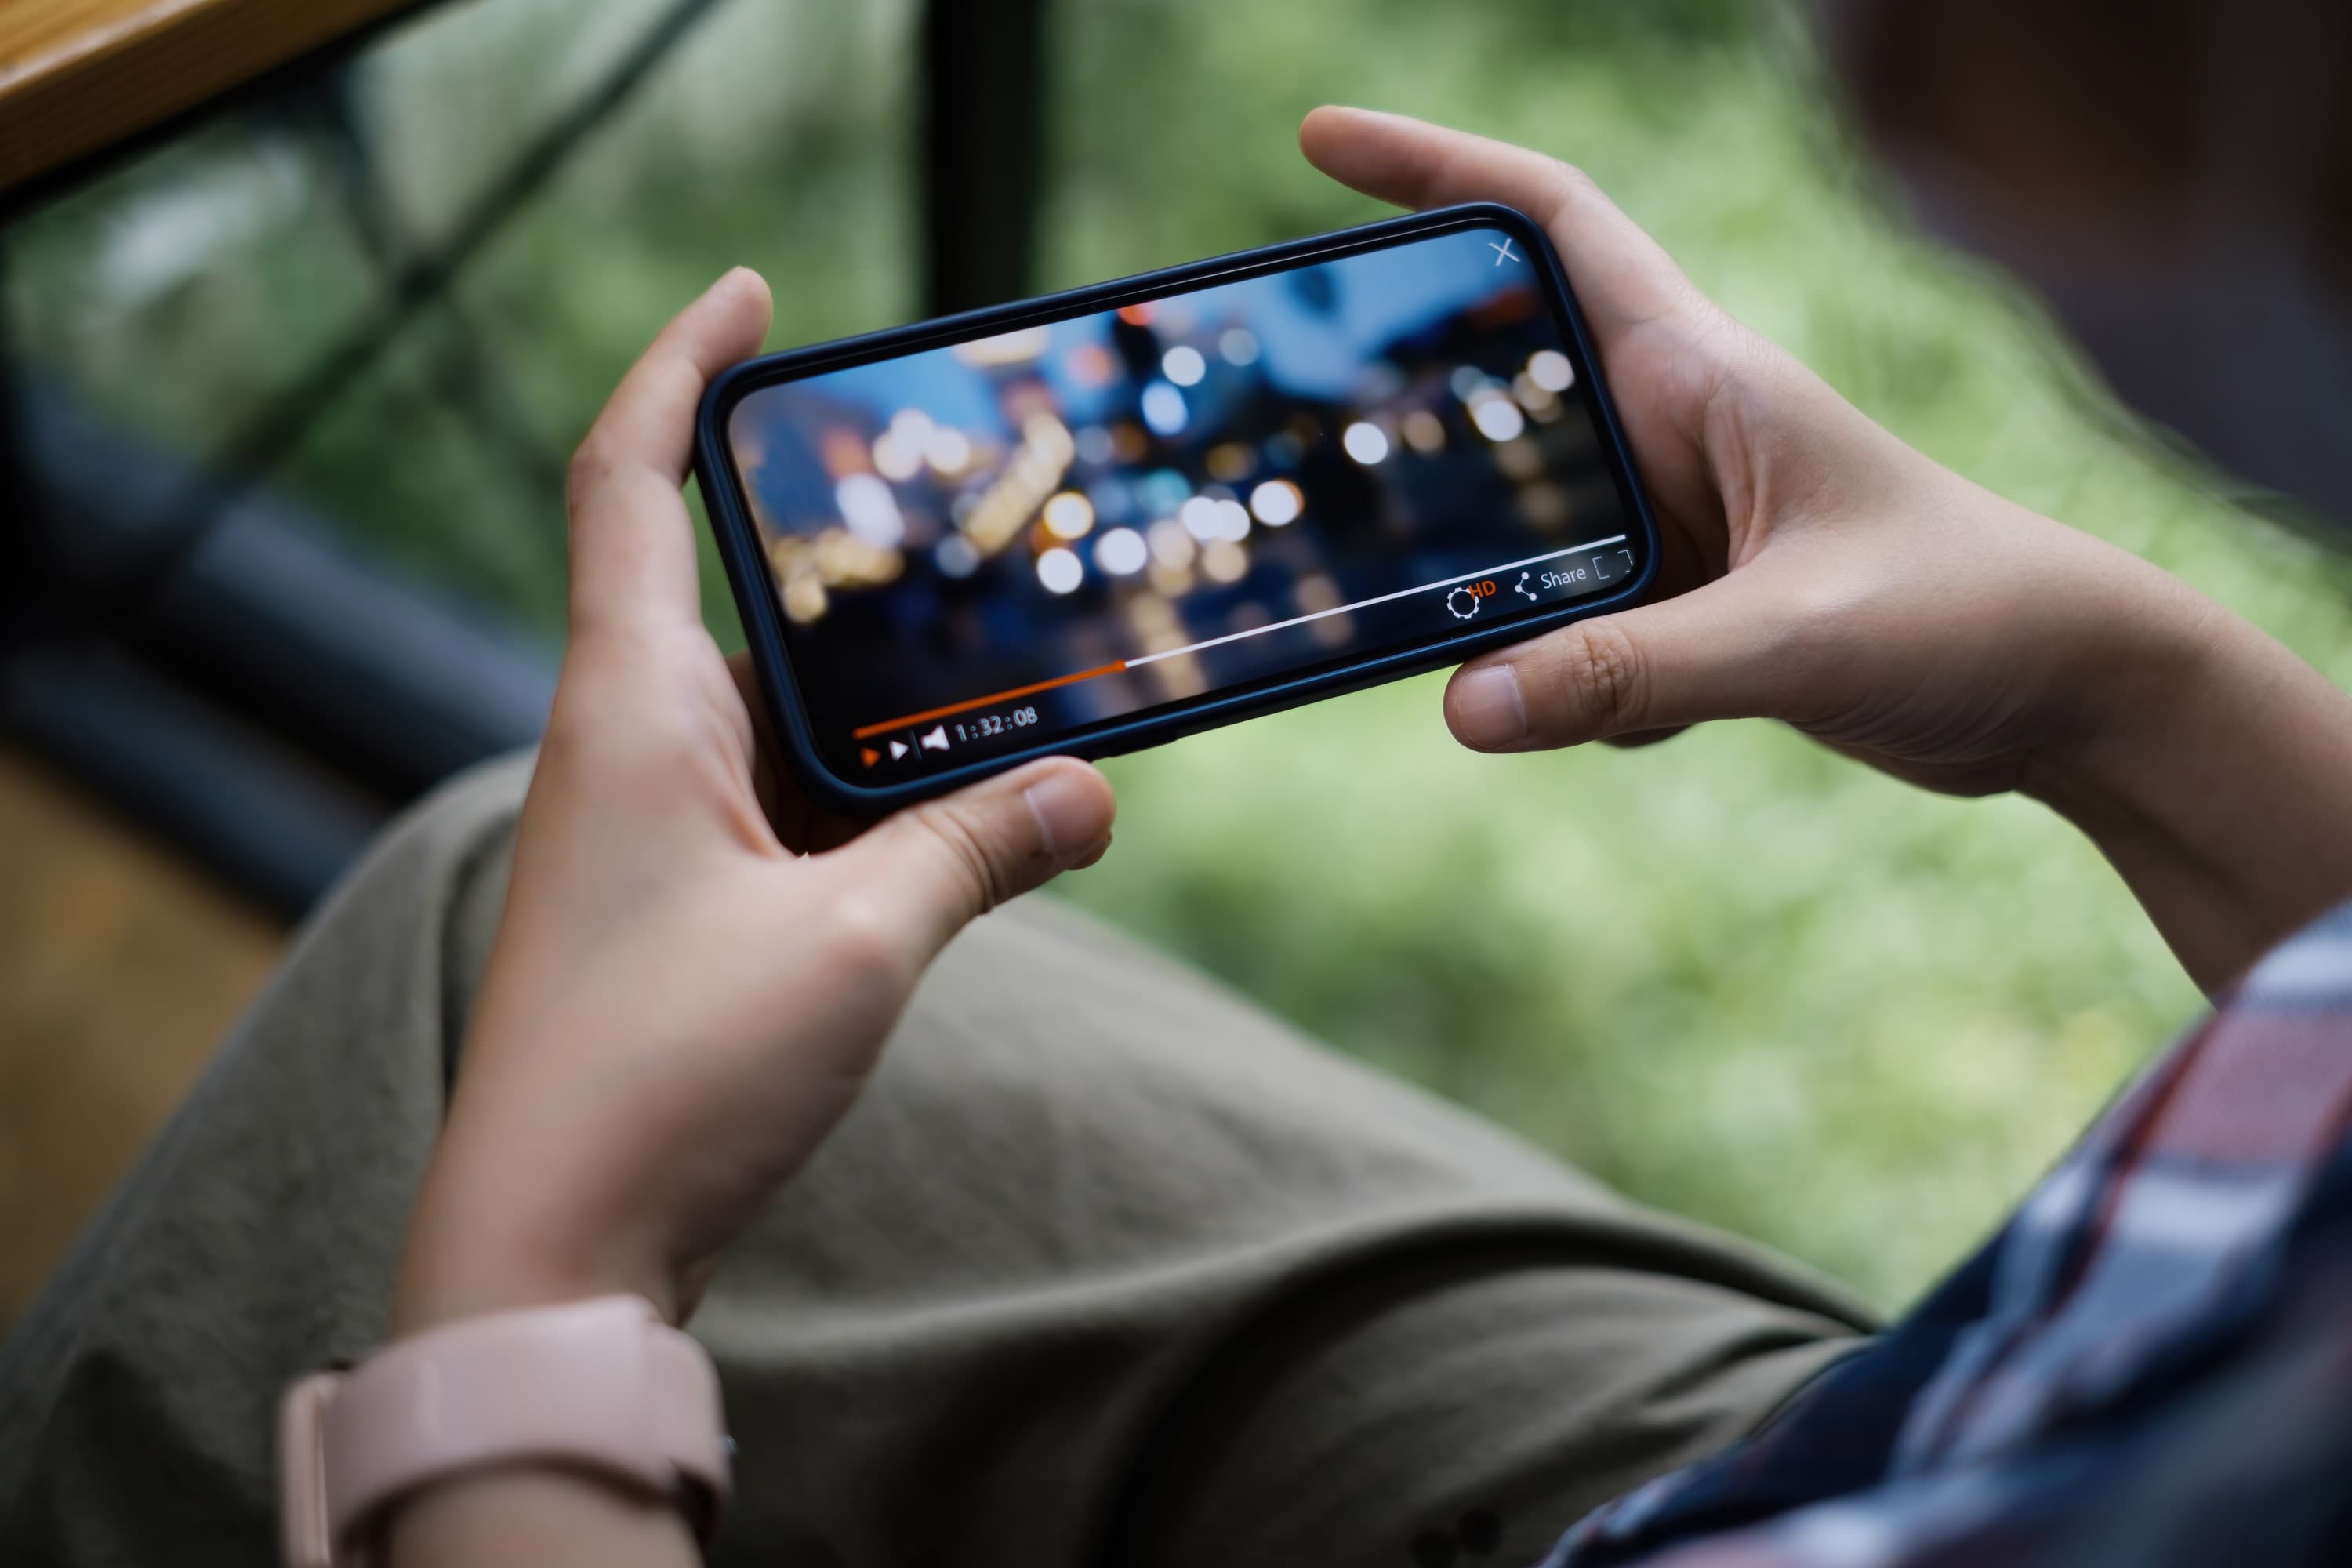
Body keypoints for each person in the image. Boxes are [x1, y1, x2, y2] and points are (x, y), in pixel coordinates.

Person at [7, 2, 2352, 1560]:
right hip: (1992, 1407)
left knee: (445, 1016)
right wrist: (2122, 691)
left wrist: (538, 1287)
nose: (1863, 64)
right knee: (487, 893)